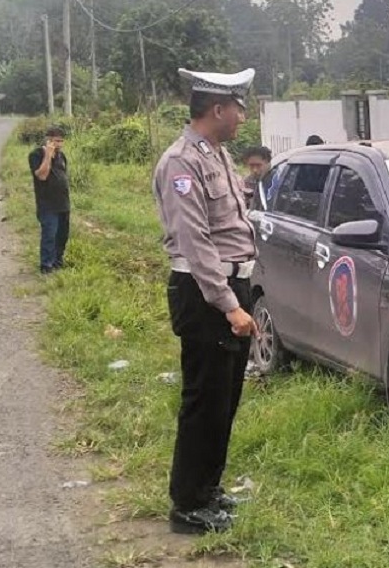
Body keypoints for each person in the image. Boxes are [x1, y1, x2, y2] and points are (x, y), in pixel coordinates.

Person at [153, 67, 260, 535]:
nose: (243, 115)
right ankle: (188, 505)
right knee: (204, 400)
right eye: (238, 107)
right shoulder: (181, 163)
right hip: (205, 295)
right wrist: (228, 304)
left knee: (224, 399)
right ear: (217, 109)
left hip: (230, 289)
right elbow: (195, 242)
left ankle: (208, 489)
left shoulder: (218, 155)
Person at [28, 125, 70, 274]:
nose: (60, 144)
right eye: (56, 141)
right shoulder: (36, 155)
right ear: (48, 140)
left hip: (63, 203)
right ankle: (46, 266)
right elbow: (42, 175)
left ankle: (58, 262)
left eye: (61, 141)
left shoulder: (62, 156)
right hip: (47, 205)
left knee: (62, 236)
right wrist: (48, 155)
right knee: (49, 236)